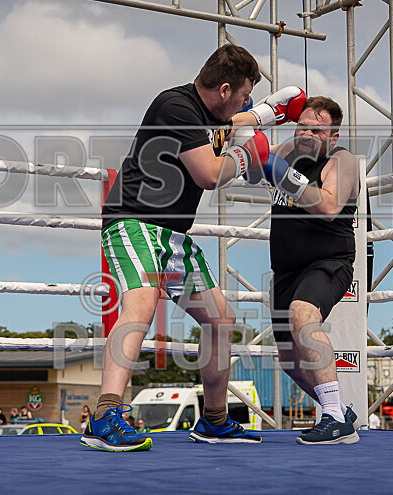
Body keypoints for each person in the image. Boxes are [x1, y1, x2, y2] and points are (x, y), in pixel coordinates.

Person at [87, 43, 306, 452]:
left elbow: (239, 128)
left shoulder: (214, 115)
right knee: (141, 304)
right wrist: (245, 154)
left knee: (220, 319)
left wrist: (267, 122)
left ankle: (215, 420)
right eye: (242, 94)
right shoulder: (175, 106)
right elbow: (208, 174)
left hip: (173, 236)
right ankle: (104, 414)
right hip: (134, 223)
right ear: (224, 89)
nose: (246, 102)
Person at [263, 96, 360, 445]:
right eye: (302, 125)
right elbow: (253, 153)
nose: (307, 133)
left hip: (328, 262)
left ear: (332, 136)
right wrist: (252, 120)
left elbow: (331, 205)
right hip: (286, 272)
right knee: (291, 359)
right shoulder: (290, 149)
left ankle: (333, 417)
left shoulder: (342, 160)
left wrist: (284, 178)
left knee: (303, 315)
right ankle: (340, 410)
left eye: (316, 129)